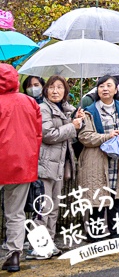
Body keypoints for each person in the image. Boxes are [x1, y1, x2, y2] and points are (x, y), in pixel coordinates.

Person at [78, 75, 119, 238]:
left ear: (116, 89)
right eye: (101, 86)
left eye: (109, 85)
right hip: (97, 161)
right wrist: (107, 136)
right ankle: (95, 236)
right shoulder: (90, 111)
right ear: (97, 90)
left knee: (117, 198)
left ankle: (115, 234)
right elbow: (85, 137)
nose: (105, 89)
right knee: (97, 199)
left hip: (118, 162)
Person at [0, 63, 42, 272]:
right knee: (15, 212)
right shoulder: (30, 102)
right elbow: (37, 134)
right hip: (22, 164)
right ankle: (14, 254)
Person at [34, 75, 82, 259]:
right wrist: (72, 126)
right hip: (44, 164)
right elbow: (48, 135)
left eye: (60, 87)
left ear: (65, 91)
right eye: (52, 87)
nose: (55, 91)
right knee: (43, 207)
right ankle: (39, 247)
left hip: (60, 165)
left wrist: (77, 121)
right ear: (45, 90)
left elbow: (70, 136)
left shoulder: (65, 110)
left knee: (53, 208)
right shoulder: (43, 109)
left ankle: (49, 242)